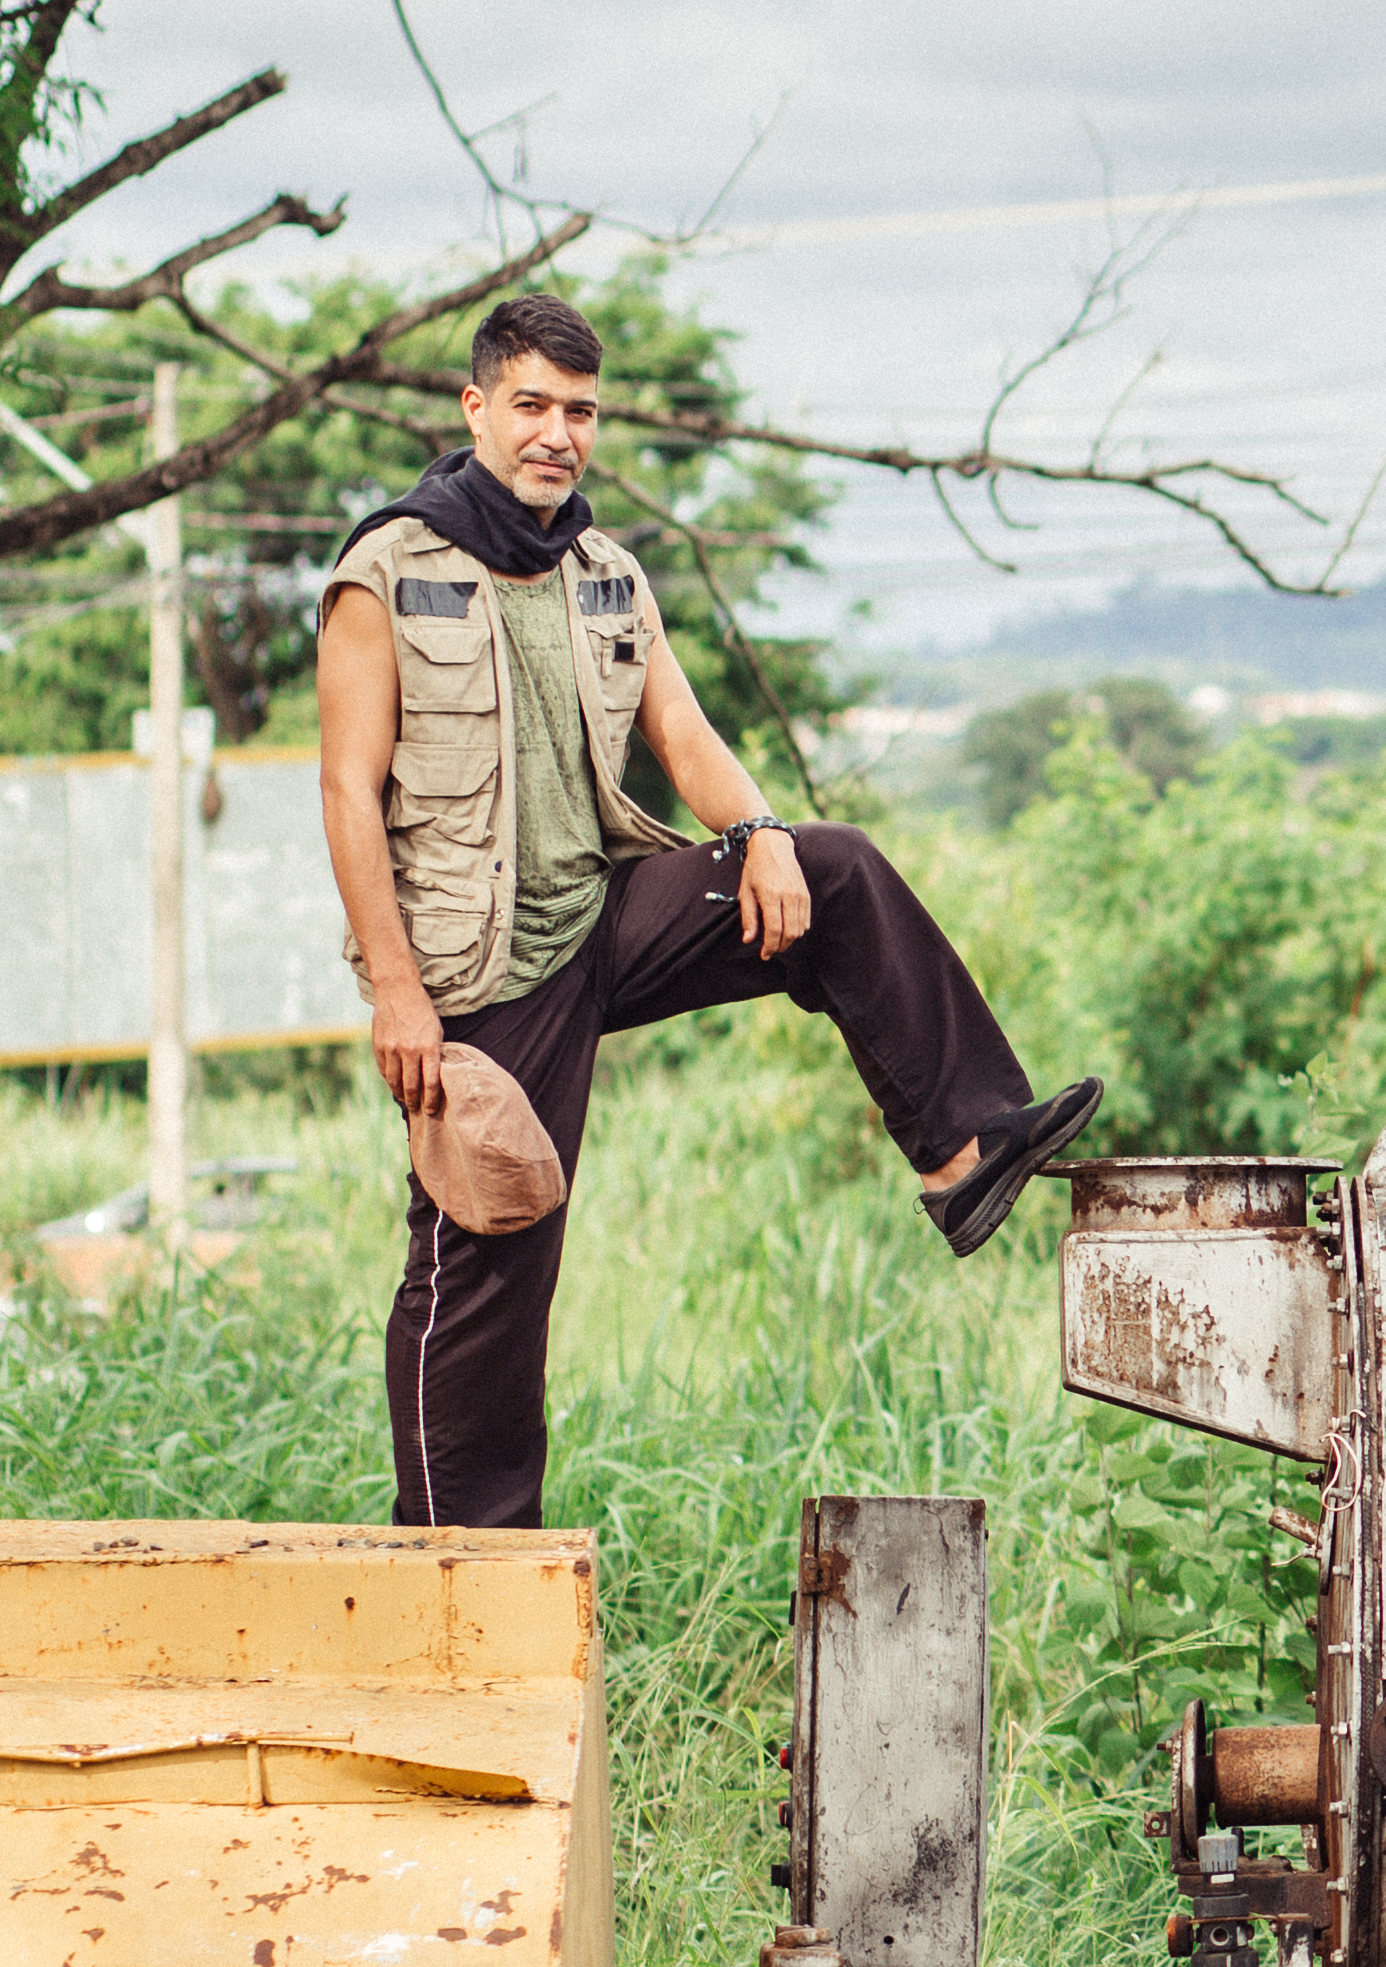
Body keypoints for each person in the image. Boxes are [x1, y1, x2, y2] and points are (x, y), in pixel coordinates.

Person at [320, 293, 1100, 1530]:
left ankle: (964, 1145)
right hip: (477, 973)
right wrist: (397, 989)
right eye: (531, 405)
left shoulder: (604, 574)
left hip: (601, 914)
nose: (557, 433)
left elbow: (680, 731)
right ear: (476, 409)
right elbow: (348, 793)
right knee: (490, 1258)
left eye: (580, 411)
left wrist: (762, 836)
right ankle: (463, 1561)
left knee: (832, 870)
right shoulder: (389, 572)